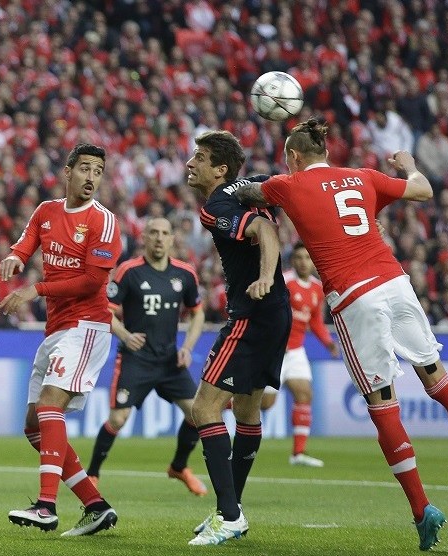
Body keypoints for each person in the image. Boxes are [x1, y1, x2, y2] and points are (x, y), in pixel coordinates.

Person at [235, 118, 448, 551]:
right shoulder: (363, 177)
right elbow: (422, 190)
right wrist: (407, 164)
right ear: (327, 153)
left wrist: (241, 184)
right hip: (396, 282)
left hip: (354, 296)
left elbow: (245, 192)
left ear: (293, 157)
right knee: (436, 377)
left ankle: (423, 510)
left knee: (382, 401)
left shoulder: (287, 185)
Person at [0, 143, 122, 537]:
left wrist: (35, 289)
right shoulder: (46, 211)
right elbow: (27, 240)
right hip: (57, 328)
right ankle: (95, 504)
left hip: (87, 326)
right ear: (68, 171)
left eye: (98, 171)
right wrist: (16, 257)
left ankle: (46, 506)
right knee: (34, 426)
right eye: (85, 168)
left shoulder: (103, 221)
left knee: (52, 403)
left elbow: (92, 281)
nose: (91, 177)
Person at [185, 131, 291, 546]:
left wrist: (264, 276)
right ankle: (231, 511)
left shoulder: (215, 207)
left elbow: (264, 229)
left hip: (250, 313)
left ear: (220, 169)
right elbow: (287, 193)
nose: (191, 163)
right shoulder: (255, 185)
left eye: (200, 157)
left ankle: (230, 515)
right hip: (277, 313)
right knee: (247, 414)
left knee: (204, 410)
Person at [86, 217, 208, 496]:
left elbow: (197, 312)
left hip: (169, 360)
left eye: (165, 233)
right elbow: (105, 310)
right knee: (118, 419)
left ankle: (178, 467)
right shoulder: (129, 271)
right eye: (153, 232)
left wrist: (187, 347)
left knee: (198, 414)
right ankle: (92, 475)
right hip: (135, 358)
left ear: (172, 239)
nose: (159, 238)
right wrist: (126, 335)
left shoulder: (185, 274)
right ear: (144, 237)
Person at [260, 242, 340, 467]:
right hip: (274, 351)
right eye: (298, 258)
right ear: (292, 261)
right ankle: (216, 407)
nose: (303, 262)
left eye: (307, 257)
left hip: (295, 351)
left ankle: (298, 453)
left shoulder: (316, 288)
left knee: (304, 393)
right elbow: (266, 313)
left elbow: (314, 320)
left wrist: (327, 342)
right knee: (265, 403)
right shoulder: (284, 283)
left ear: (313, 262)